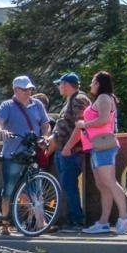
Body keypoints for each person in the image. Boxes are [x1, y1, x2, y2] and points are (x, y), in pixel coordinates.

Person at [77, 70, 127, 235]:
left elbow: (103, 120)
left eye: (93, 82)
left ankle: (125, 217)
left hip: (104, 146)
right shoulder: (104, 98)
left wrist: (84, 124)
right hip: (97, 146)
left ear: (99, 83)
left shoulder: (104, 98)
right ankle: (103, 222)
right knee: (102, 185)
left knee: (109, 182)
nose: (91, 85)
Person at [0, 76, 51, 231]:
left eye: (30, 89)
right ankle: (5, 224)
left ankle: (40, 223)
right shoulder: (7, 105)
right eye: (25, 89)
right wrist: (0, 130)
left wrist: (44, 137)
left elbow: (45, 124)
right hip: (13, 153)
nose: (28, 92)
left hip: (32, 152)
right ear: (15, 90)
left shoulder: (37, 105)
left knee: (36, 189)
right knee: (9, 189)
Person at [46, 73, 92, 232]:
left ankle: (77, 221)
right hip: (64, 150)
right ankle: (72, 220)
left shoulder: (79, 99)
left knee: (69, 185)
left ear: (66, 84)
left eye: (60, 84)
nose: (59, 87)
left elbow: (81, 126)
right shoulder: (70, 100)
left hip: (72, 152)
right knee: (67, 185)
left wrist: (68, 147)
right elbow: (64, 126)